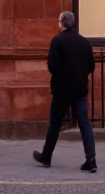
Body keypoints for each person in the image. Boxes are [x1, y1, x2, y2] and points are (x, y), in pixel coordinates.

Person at [34, 11, 97, 172]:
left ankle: (46, 156)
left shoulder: (57, 40)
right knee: (84, 124)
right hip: (80, 88)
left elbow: (52, 65)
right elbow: (91, 65)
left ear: (62, 23)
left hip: (62, 89)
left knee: (55, 124)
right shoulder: (84, 42)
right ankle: (91, 159)